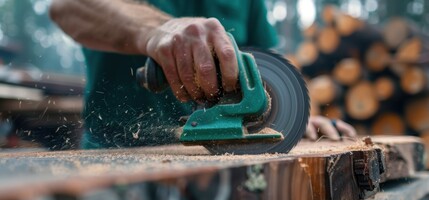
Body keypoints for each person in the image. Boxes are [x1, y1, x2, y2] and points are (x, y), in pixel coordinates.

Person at [49, 0, 356, 149]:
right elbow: (65, 7)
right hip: (116, 154)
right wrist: (155, 30)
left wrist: (288, 116)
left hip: (223, 159)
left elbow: (269, 69)